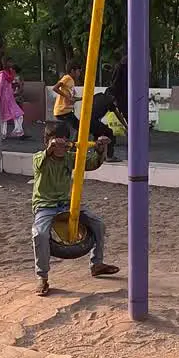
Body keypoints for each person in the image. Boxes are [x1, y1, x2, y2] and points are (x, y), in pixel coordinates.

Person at [30, 122, 119, 296]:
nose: (61, 147)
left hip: (67, 203)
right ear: (47, 142)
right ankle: (42, 277)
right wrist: (50, 149)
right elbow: (40, 164)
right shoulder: (39, 157)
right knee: (39, 234)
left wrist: (100, 149)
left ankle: (97, 264)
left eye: (65, 142)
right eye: (56, 142)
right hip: (45, 206)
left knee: (98, 224)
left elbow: (91, 163)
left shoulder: (71, 157)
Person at [0, 61, 26, 139]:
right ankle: (3, 133)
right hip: (2, 98)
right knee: (3, 116)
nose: (14, 73)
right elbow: (0, 85)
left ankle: (17, 131)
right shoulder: (2, 74)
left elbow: (8, 85)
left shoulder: (10, 75)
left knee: (18, 114)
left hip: (9, 97)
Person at [88, 90, 122, 162]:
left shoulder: (97, 96)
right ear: (112, 96)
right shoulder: (109, 101)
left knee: (98, 134)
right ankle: (109, 156)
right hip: (93, 121)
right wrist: (126, 126)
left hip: (84, 120)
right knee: (109, 132)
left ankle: (96, 155)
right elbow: (118, 115)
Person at [53, 64, 81, 136]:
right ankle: (73, 145)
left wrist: (82, 98)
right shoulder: (67, 78)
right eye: (78, 71)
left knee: (78, 128)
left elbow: (71, 98)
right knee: (78, 129)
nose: (79, 73)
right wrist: (67, 97)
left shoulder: (71, 81)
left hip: (67, 111)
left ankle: (73, 145)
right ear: (72, 71)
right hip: (63, 111)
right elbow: (55, 88)